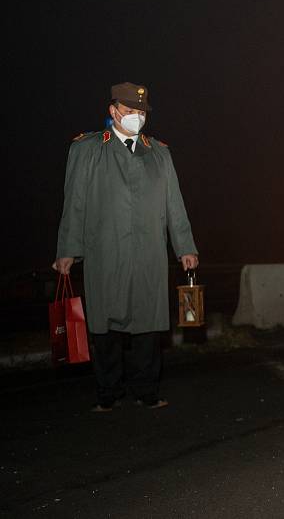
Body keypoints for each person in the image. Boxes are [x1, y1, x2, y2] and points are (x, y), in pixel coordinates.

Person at [53, 82, 199, 412]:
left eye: (141, 112)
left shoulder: (159, 152)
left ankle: (147, 390)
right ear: (113, 111)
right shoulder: (88, 149)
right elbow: (74, 203)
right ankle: (108, 392)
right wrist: (67, 250)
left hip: (149, 253)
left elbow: (175, 204)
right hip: (105, 252)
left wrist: (185, 246)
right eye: (130, 111)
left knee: (149, 322)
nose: (136, 117)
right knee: (104, 324)